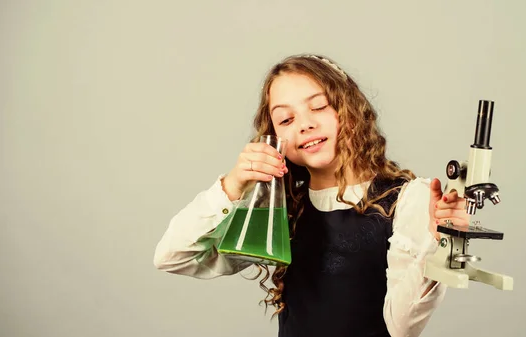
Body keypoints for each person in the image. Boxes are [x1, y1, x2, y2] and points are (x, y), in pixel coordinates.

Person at [153, 54, 470, 337]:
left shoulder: (406, 201)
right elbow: (172, 256)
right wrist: (234, 184)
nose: (305, 124)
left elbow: (403, 327)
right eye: (286, 119)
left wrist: (436, 241)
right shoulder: (281, 210)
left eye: (319, 106)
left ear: (351, 111)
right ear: (275, 138)